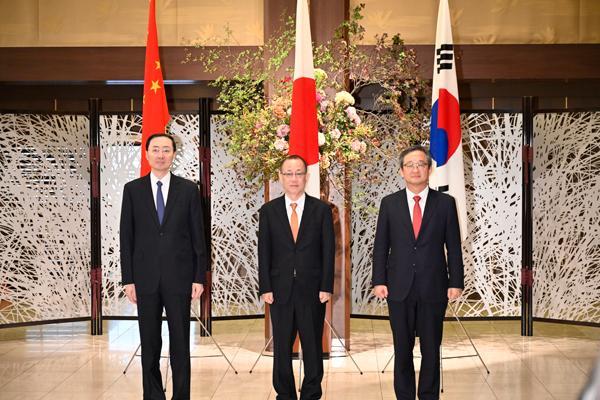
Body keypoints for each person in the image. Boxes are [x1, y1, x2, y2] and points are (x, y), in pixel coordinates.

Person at [372, 144, 464, 400]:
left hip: (433, 287)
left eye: (421, 164)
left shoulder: (445, 203)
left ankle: (428, 396)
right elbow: (381, 246)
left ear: (429, 169)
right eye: (410, 165)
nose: (416, 169)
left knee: (431, 349)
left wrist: (456, 281)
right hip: (398, 287)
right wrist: (378, 279)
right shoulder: (389, 203)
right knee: (402, 348)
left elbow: (453, 247)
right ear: (401, 171)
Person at [120, 133, 207, 400]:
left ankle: (182, 395)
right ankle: (153, 395)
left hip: (180, 278)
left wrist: (198, 277)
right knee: (150, 342)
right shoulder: (132, 190)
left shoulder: (189, 189)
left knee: (181, 341)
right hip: (145, 279)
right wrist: (128, 279)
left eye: (166, 150)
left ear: (173, 154)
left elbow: (198, 237)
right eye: (155, 150)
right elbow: (127, 237)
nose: (160, 155)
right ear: (146, 154)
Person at [258, 154, 335, 400]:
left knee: (312, 345)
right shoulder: (268, 211)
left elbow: (328, 251)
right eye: (288, 173)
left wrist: (326, 286)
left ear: (306, 176)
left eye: (298, 173)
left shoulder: (321, 210)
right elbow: (264, 252)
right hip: (279, 291)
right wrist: (266, 287)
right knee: (281, 346)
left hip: (312, 290)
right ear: (280, 177)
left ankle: (312, 393)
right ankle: (285, 394)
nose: (293, 178)